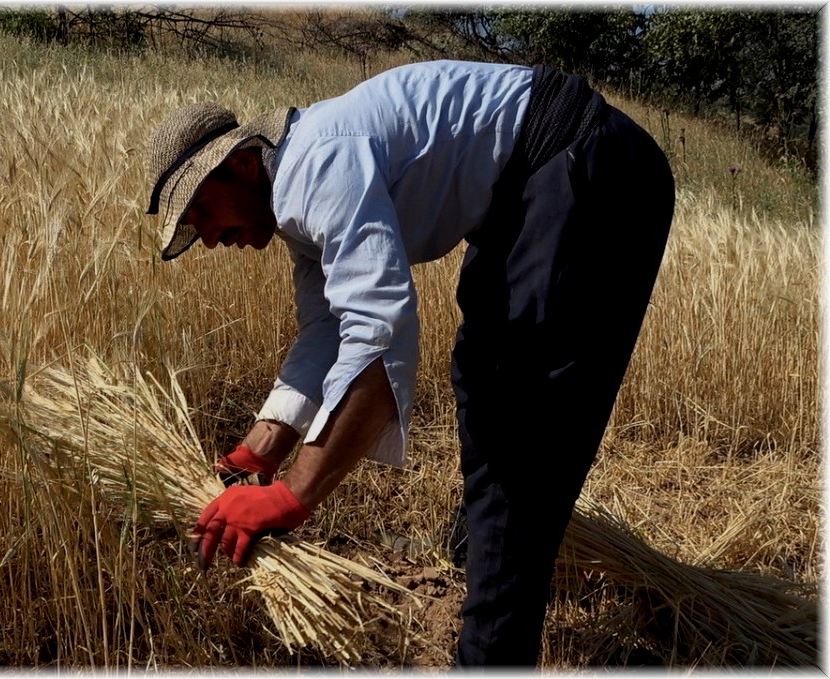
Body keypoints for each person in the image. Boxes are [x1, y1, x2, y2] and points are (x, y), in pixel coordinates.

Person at [143, 60, 674, 666]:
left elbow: (380, 330)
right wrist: (260, 448)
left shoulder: (316, 167)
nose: (209, 239)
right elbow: (327, 329)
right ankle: (489, 570)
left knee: (520, 436)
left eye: (203, 214)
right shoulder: (296, 202)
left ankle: (492, 644)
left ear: (241, 163)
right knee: (484, 383)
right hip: (527, 193)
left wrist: (293, 495)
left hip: (586, 167)